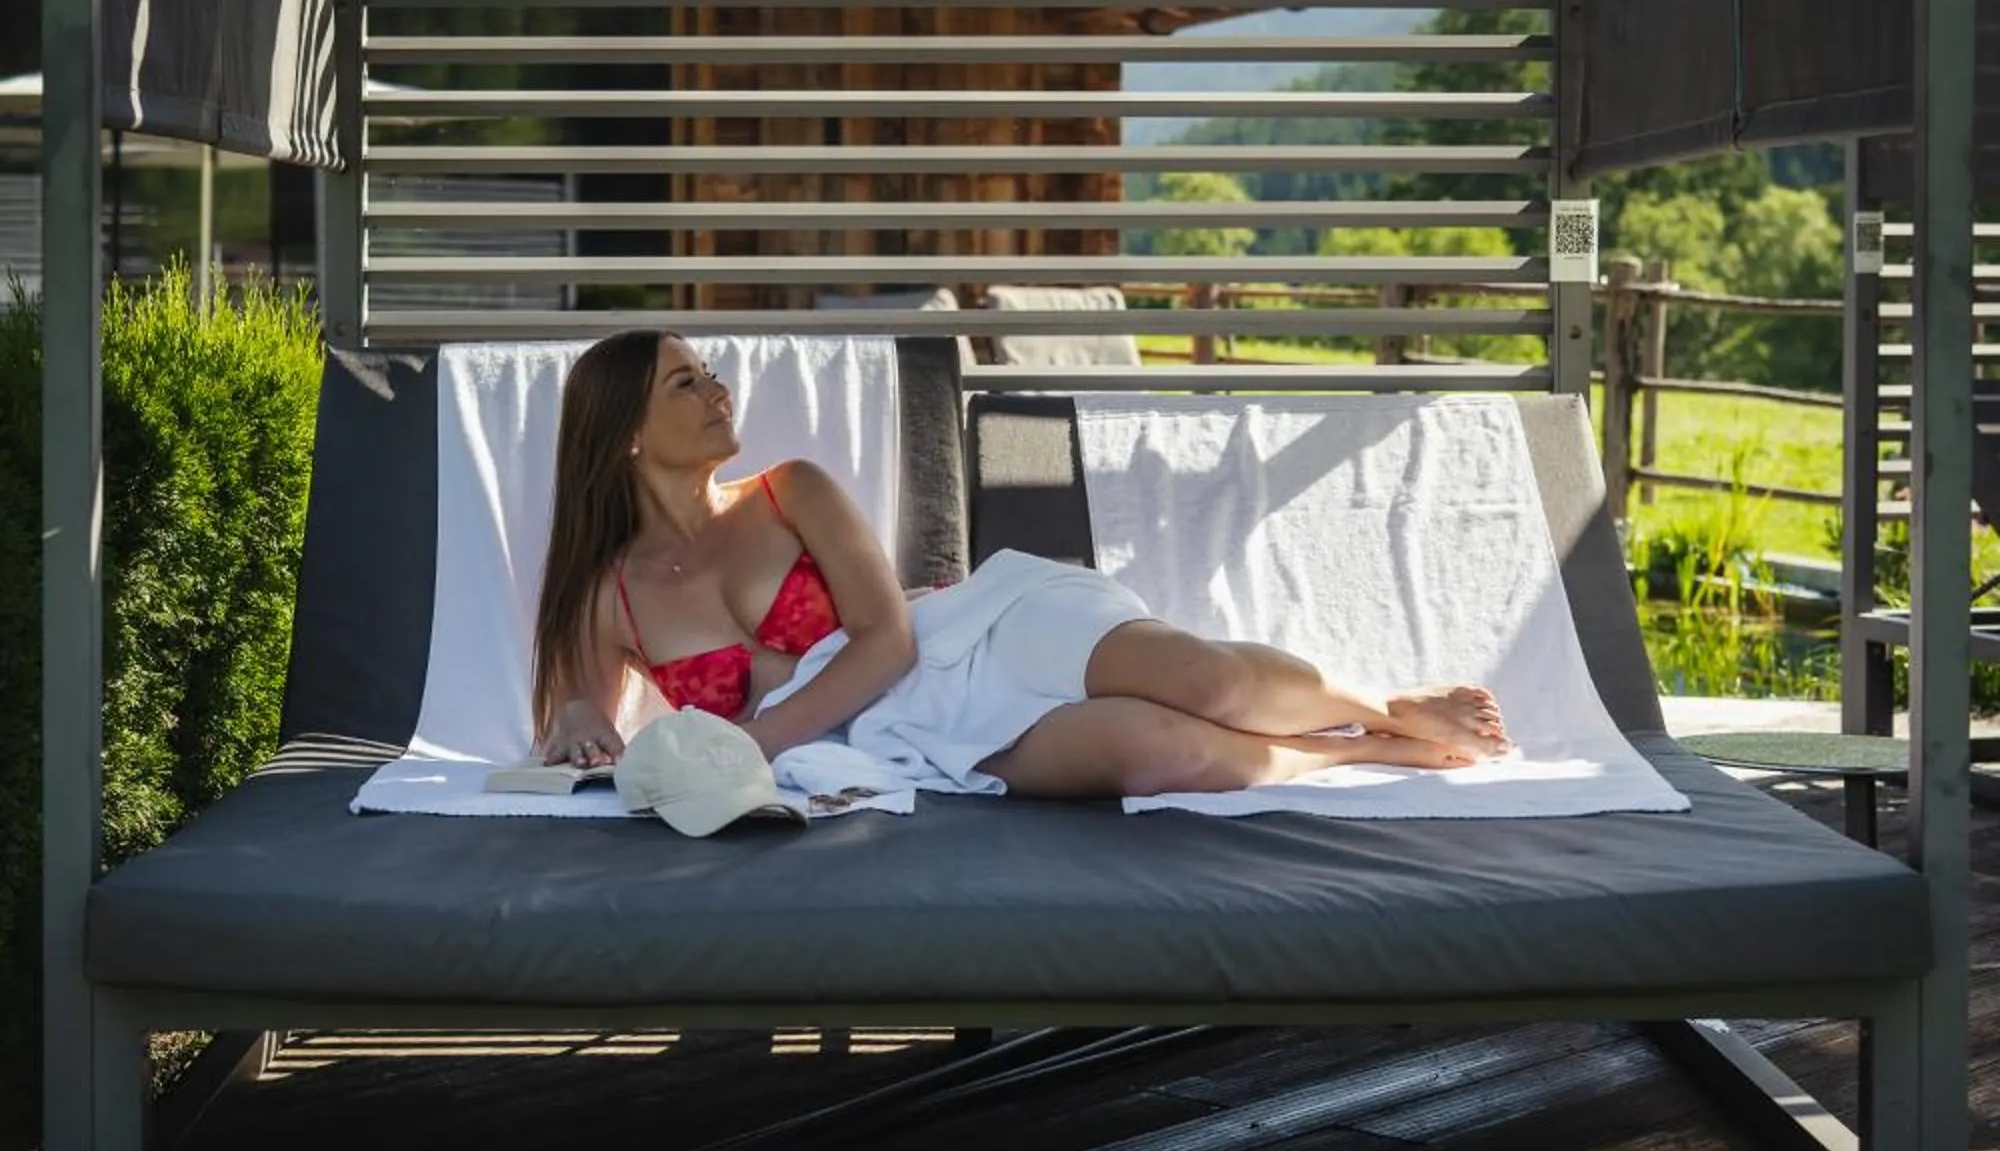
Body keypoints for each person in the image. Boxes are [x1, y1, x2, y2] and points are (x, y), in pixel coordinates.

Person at [532, 333, 1510, 802]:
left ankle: (1384, 706)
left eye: (709, 371)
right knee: (1151, 752)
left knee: (1201, 680)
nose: (717, 389)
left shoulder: (792, 491)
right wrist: (579, 721)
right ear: (623, 434)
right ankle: (1353, 752)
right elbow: (575, 717)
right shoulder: (610, 593)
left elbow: (886, 636)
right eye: (685, 382)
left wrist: (756, 738)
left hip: (976, 633)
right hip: (905, 740)